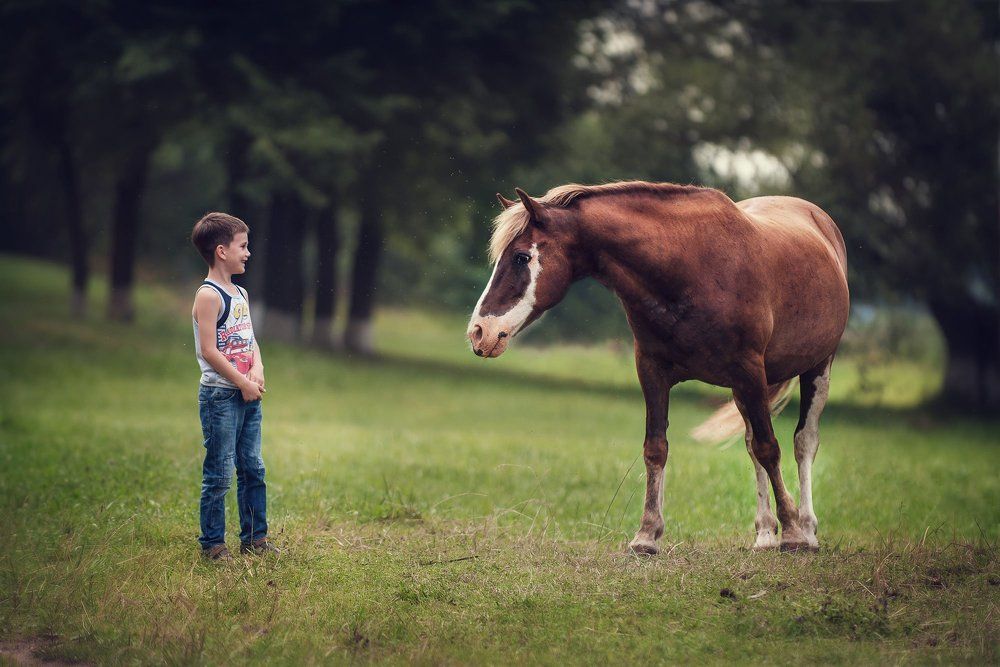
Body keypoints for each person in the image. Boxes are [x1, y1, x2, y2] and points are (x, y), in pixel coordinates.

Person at [190, 212, 278, 561]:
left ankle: (255, 539)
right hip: (220, 397)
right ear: (222, 250)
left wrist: (257, 369)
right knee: (220, 473)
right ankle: (212, 545)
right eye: (243, 246)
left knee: (253, 468)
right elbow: (209, 350)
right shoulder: (208, 295)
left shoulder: (239, 292)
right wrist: (241, 382)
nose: (248, 252)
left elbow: (250, 340)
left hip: (247, 394)